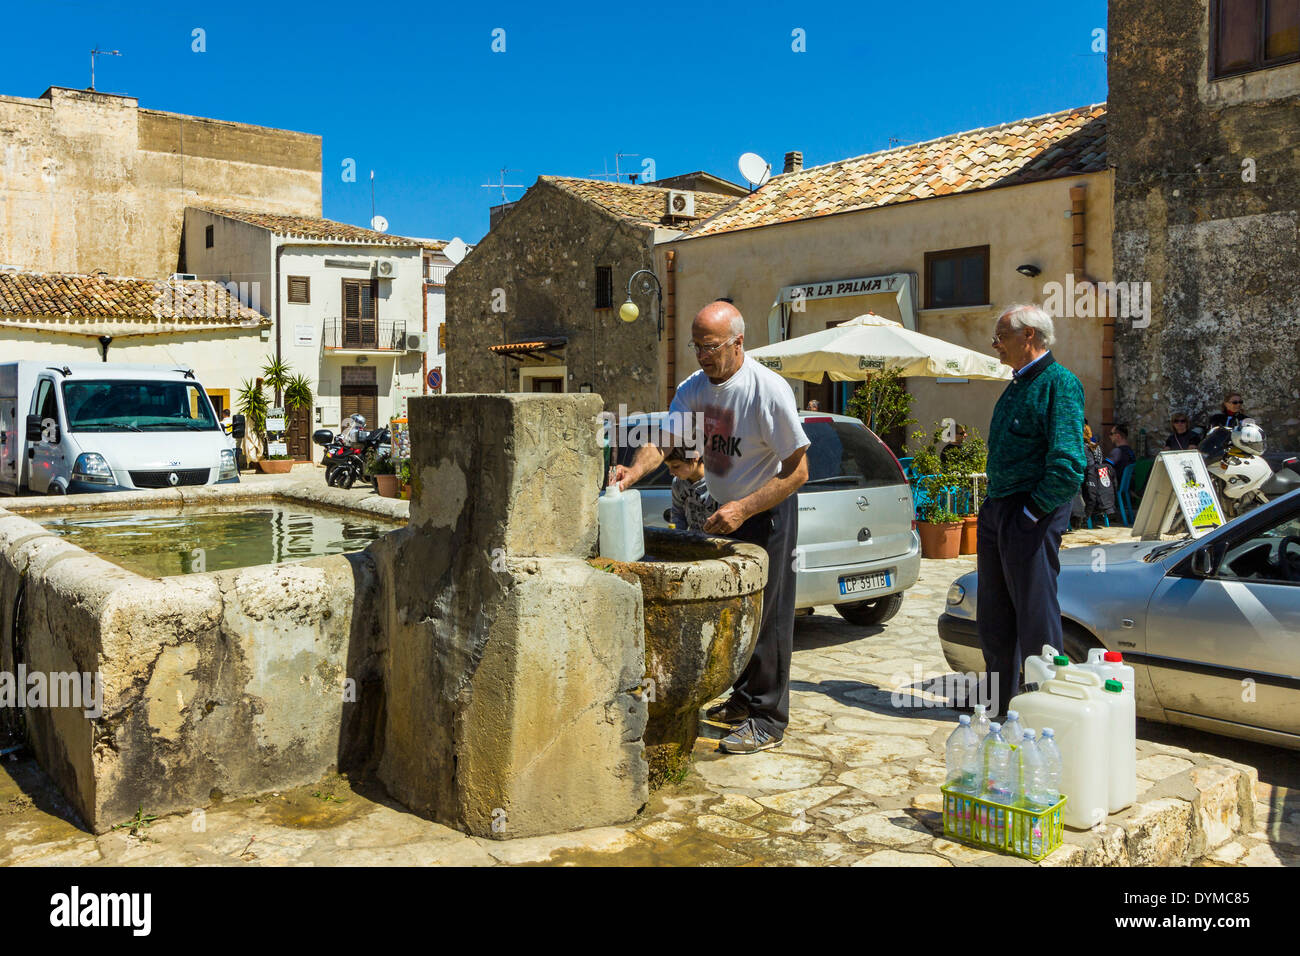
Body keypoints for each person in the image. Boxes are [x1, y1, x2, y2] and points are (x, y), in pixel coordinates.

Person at [614, 300, 809, 755]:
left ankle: (768, 718)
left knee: (771, 615)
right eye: (697, 346)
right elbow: (663, 441)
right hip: (727, 511)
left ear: (738, 342)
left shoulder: (768, 390)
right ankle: (743, 700)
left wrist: (743, 508)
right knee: (740, 611)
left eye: (711, 346)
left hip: (767, 510)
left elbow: (798, 472)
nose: (702, 355)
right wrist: (631, 473)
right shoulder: (694, 388)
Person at [977, 304, 1086, 714]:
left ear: (1028, 337)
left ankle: (1045, 710)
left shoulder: (1060, 384)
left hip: (1030, 511)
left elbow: (1068, 463)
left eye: (1001, 336)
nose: (995, 345)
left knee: (1036, 617)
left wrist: (1030, 514)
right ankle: (999, 706)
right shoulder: (1017, 384)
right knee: (994, 616)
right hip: (1000, 509)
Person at [665, 448, 718, 532]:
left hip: (717, 542)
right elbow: (678, 516)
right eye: (668, 466)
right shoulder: (678, 483)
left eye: (676, 466)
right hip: (693, 541)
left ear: (694, 457)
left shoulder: (718, 482)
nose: (671, 472)